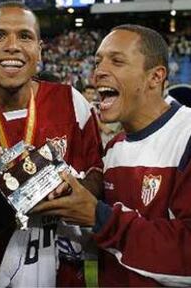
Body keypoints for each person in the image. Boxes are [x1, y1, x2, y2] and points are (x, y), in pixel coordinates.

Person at [0, 1, 103, 287]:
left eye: (25, 36)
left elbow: (96, 174)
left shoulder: (71, 102)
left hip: (63, 274)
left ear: (39, 49)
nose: (12, 46)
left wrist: (64, 187)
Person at [33, 24, 191, 286]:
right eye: (97, 62)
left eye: (116, 61)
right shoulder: (113, 149)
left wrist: (99, 218)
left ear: (155, 76)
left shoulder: (185, 136)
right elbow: (110, 246)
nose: (99, 71)